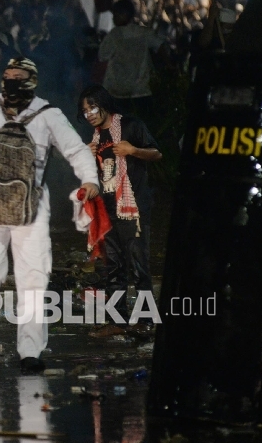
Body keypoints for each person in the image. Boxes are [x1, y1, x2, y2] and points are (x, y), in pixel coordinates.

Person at [0, 49, 99, 371]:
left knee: (33, 280)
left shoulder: (47, 114)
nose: (11, 85)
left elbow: (76, 149)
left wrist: (90, 179)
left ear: (32, 82)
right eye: (7, 79)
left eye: (18, 80)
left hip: (31, 211)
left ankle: (30, 352)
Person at [78, 85, 161, 337]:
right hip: (107, 209)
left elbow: (157, 153)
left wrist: (133, 150)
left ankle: (146, 321)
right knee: (113, 266)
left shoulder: (131, 126)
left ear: (104, 103)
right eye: (84, 111)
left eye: (92, 107)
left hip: (132, 208)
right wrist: (85, 155)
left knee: (139, 266)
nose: (89, 114)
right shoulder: (94, 137)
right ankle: (118, 321)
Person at [98, 0, 168, 120]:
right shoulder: (144, 32)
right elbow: (161, 46)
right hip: (141, 91)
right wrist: (168, 64)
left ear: (124, 15)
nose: (114, 19)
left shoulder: (114, 35)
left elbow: (102, 55)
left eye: (115, 15)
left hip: (117, 92)